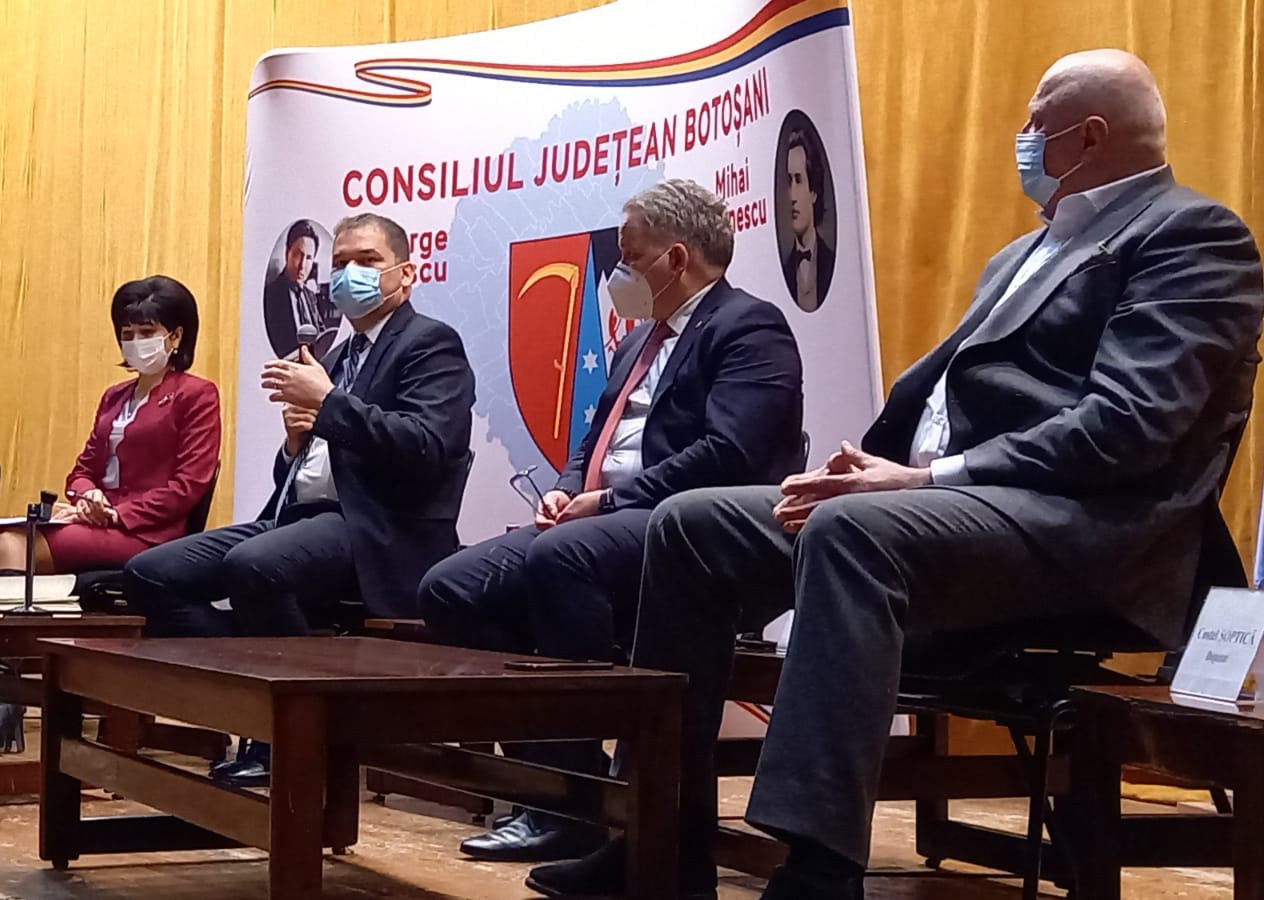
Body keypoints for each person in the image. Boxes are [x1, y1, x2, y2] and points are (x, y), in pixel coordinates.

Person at [525, 49, 1264, 900]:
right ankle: (659, 841)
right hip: (958, 507)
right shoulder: (1023, 253)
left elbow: (1129, 428)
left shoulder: (1192, 237)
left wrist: (923, 480)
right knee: (693, 523)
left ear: (1090, 136)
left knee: (852, 530)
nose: (1023, 138)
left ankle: (819, 871)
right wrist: (877, 467)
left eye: (1035, 121)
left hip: (1085, 531)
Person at [419, 178, 806, 863]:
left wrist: (606, 504)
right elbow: (592, 442)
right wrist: (567, 489)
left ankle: (570, 808)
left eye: (629, 258)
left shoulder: (750, 327)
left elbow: (730, 453)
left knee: (561, 559)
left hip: (687, 531)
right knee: (451, 589)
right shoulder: (637, 343)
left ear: (677, 259)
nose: (617, 273)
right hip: (598, 524)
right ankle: (569, 781)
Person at [125, 212, 476, 785]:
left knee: (255, 566)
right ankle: (262, 695)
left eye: (367, 261)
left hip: (378, 529)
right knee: (150, 574)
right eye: (340, 264)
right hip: (301, 519)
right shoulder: (336, 357)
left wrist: (330, 403)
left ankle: (287, 737)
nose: (350, 273)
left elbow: (427, 447)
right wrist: (293, 444)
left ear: (406, 274)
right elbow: (301, 471)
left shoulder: (429, 344)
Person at [0, 275, 220, 755]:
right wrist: (88, 495)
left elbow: (187, 487)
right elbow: (83, 469)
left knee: (11, 544)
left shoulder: (197, 394)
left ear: (175, 336)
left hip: (150, 535)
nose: (135, 342)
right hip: (98, 521)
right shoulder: (115, 397)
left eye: (146, 332)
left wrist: (114, 513)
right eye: (127, 333)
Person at [263, 219, 336, 358]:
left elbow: (322, 332)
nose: (302, 265)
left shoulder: (310, 295)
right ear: (287, 253)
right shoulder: (272, 295)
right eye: (297, 255)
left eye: (308, 258)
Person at [782, 126, 835, 312]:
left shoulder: (831, 262)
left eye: (798, 180)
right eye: (788, 181)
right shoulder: (785, 270)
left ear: (813, 192)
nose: (791, 196)